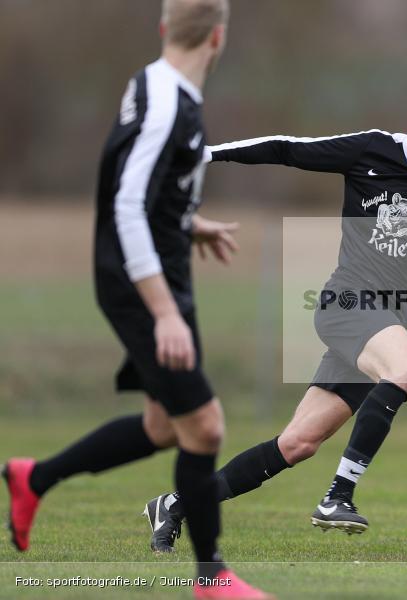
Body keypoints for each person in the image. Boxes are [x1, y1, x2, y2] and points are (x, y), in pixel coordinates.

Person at [142, 80, 407, 550]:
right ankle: (339, 494)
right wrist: (206, 154)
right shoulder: (370, 150)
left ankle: (175, 505)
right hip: (346, 303)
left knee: (297, 444)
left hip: (384, 324)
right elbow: (287, 149)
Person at [2, 2, 269, 597]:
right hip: (142, 285)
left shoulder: (154, 86)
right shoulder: (170, 100)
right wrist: (164, 310)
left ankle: (34, 478)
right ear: (219, 38)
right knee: (205, 426)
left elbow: (147, 187)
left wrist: (188, 222)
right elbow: (125, 202)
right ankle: (211, 577)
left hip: (160, 274)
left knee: (164, 425)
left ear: (163, 29)